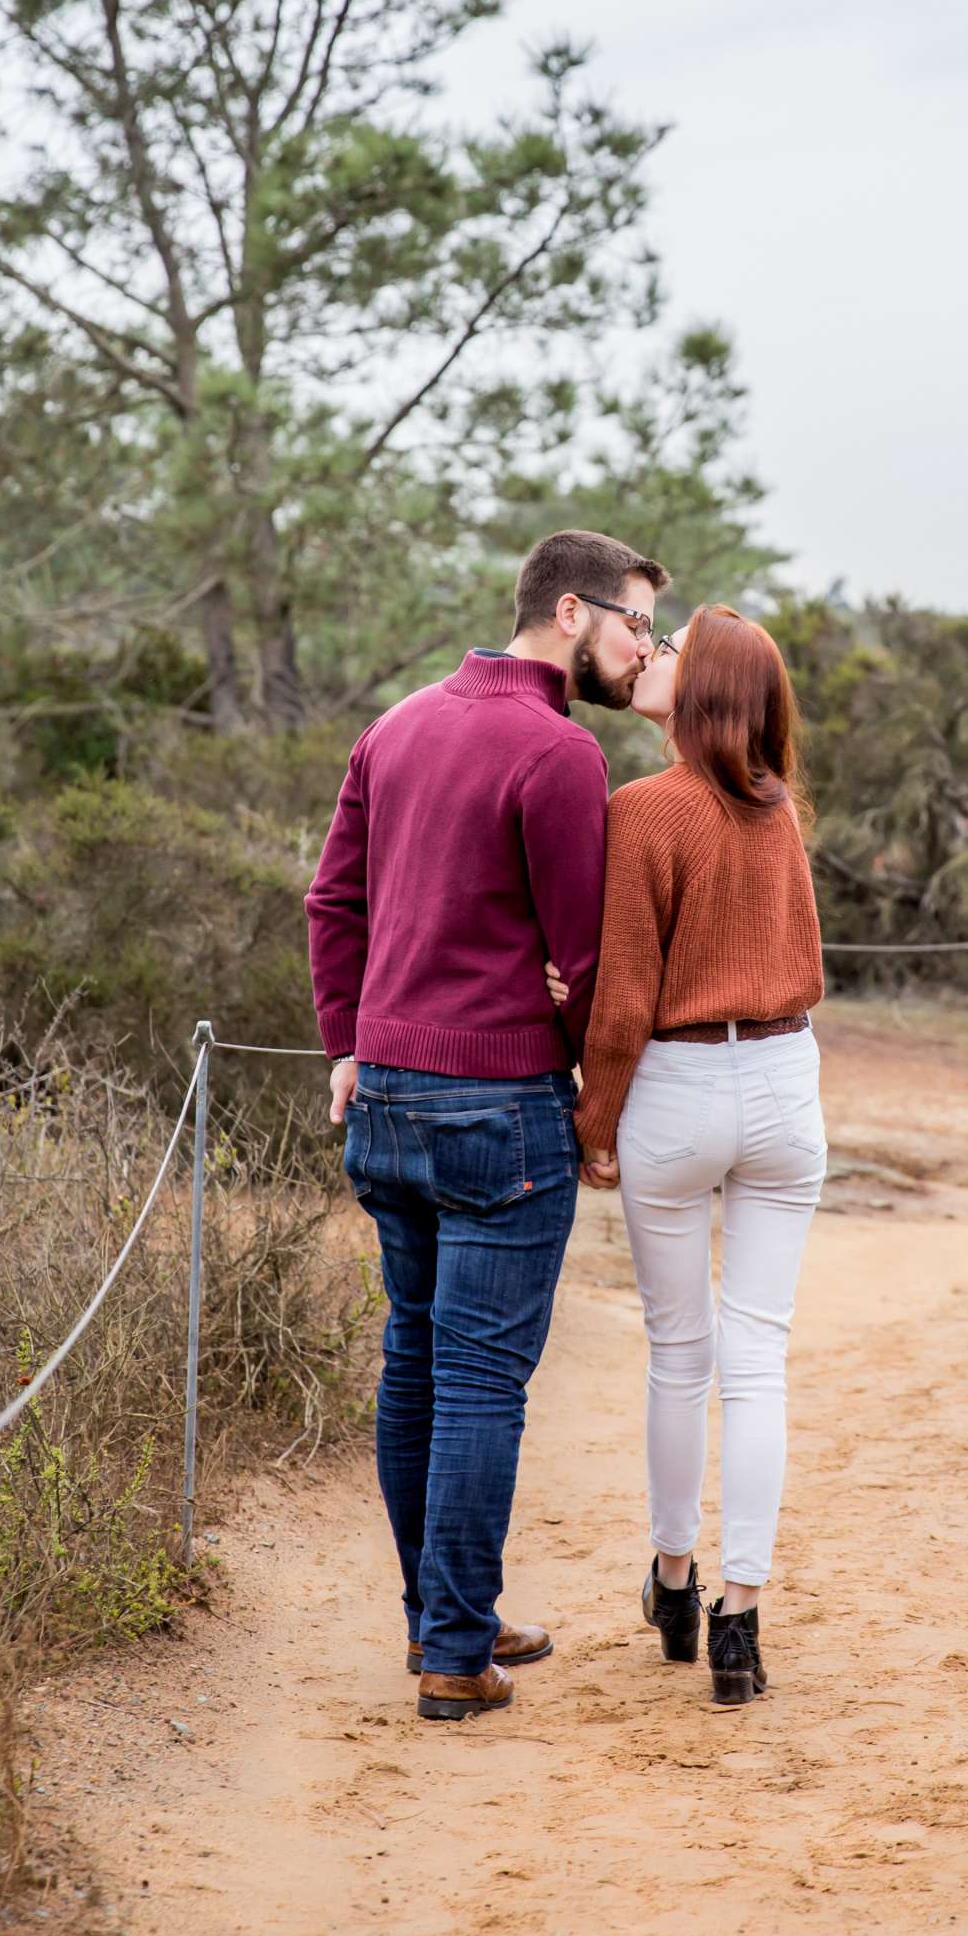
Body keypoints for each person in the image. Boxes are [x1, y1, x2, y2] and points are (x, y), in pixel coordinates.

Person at [306, 530, 669, 1721]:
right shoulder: (558, 755)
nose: (643, 649)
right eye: (634, 625)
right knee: (473, 1381)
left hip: (388, 1102)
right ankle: (455, 1652)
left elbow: (333, 901)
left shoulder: (398, 724)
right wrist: (583, 1089)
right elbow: (586, 956)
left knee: (416, 1359)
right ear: (571, 613)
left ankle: (446, 1616)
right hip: (497, 1111)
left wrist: (349, 1046)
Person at [550, 605, 825, 1708]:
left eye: (671, 652)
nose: (650, 656)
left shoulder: (645, 813)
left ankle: (673, 1578)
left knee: (679, 1352)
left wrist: (595, 1120)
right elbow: (801, 961)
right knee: (757, 1359)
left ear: (702, 690)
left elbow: (620, 1003)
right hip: (784, 1083)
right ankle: (741, 1620)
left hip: (674, 1088)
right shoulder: (781, 813)